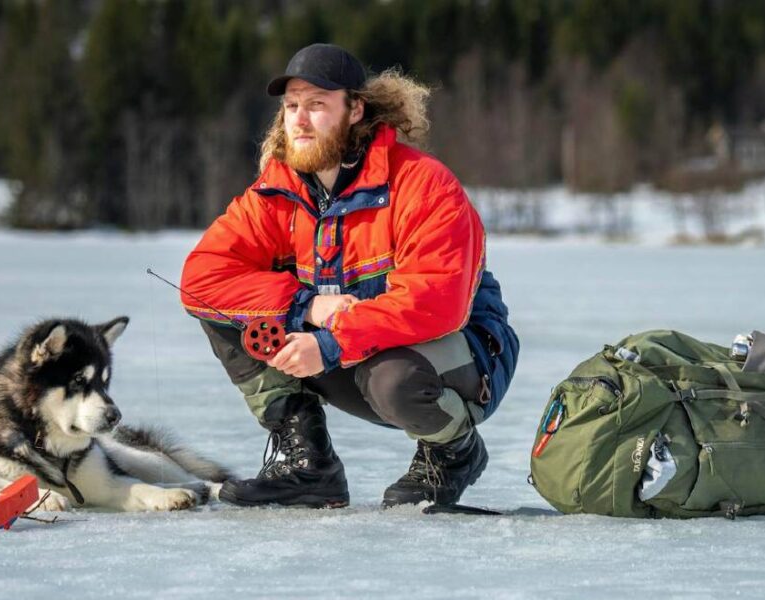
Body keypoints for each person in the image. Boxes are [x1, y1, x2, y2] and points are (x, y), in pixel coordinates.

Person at [181, 43, 518, 509]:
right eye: (292, 105)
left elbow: (436, 302)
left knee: (393, 378)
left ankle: (453, 452)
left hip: (462, 357)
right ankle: (308, 465)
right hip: (352, 349)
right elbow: (202, 277)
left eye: (317, 105)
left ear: (355, 109)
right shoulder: (278, 190)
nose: (298, 119)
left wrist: (331, 344)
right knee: (227, 310)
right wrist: (305, 306)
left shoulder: (423, 185)